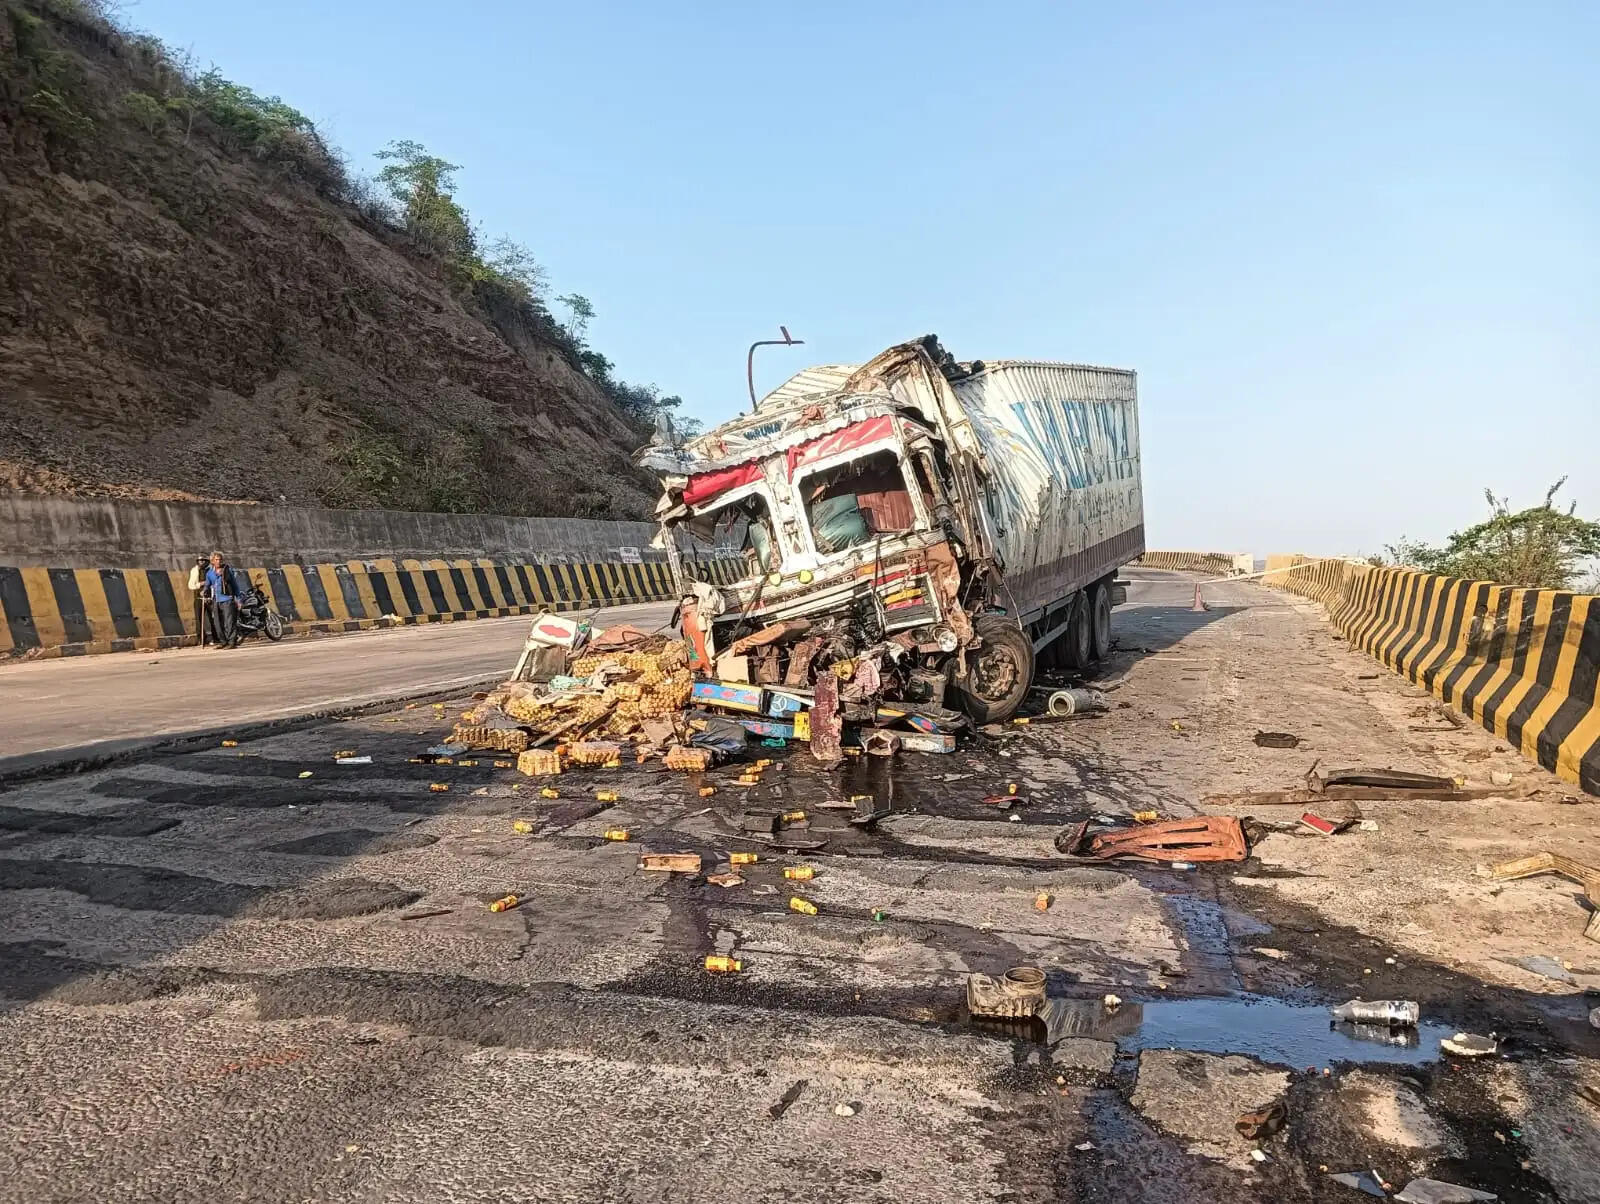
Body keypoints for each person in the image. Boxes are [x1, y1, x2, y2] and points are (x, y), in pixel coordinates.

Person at [203, 551, 241, 648]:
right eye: (216, 559)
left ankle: (232, 642)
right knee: (217, 622)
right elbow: (207, 585)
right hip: (216, 599)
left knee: (229, 622)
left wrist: (238, 599)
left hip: (227, 598)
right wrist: (204, 591)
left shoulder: (227, 570)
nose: (219, 561)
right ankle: (223, 641)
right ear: (212, 561)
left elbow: (234, 585)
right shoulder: (209, 573)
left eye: (220, 559)